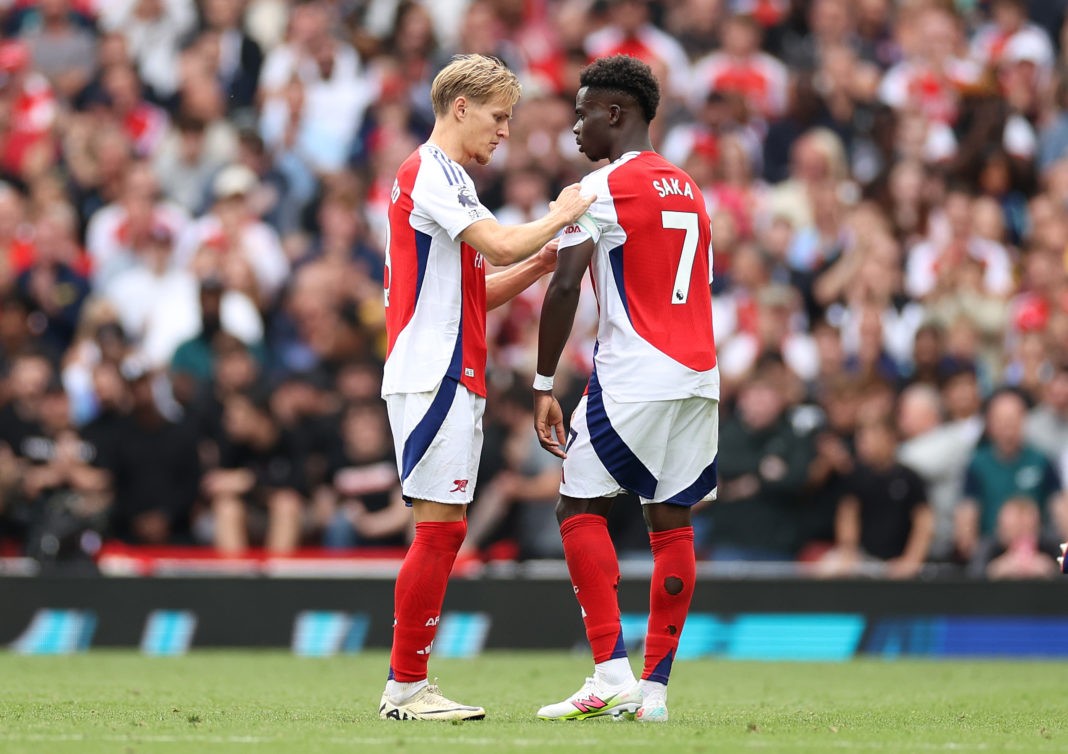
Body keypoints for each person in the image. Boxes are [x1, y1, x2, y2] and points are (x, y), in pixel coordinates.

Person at [377, 53, 594, 722]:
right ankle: (406, 687)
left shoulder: (453, 184)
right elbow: (496, 248)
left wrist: (541, 264)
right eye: (499, 118)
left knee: (444, 527)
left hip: (450, 364)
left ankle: (409, 683)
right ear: (461, 107)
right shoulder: (430, 172)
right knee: (438, 527)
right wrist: (562, 213)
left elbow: (477, 287)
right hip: (433, 370)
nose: (504, 132)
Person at [532, 55, 718, 724]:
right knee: (671, 519)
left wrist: (542, 381)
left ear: (616, 112)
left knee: (577, 505)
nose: (575, 127)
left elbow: (562, 284)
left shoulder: (602, 186)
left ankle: (611, 671)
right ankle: (656, 693)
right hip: (699, 375)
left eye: (583, 112)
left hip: (636, 369)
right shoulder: (689, 186)